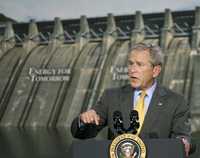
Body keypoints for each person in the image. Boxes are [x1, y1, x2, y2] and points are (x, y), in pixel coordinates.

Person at [71, 43, 191, 156]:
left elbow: (182, 136)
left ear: (156, 71)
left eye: (139, 64)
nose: (132, 69)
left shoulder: (176, 102)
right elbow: (82, 133)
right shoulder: (111, 97)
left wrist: (184, 143)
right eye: (130, 63)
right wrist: (84, 120)